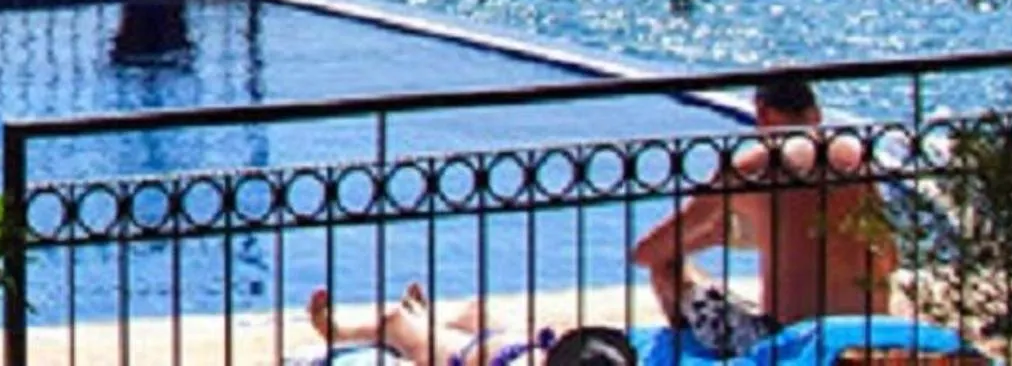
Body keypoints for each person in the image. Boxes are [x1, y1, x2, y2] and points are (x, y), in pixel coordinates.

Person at [631, 76, 897, 360]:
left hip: (792, 343)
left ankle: (699, 358)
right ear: (816, 113)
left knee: (668, 268)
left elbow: (647, 253)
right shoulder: (857, 158)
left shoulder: (755, 167)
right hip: (868, 335)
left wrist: (714, 237)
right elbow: (891, 258)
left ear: (763, 113)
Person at [306, 284, 635, 366]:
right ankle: (423, 316)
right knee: (477, 311)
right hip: (510, 343)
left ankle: (336, 331)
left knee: (397, 323)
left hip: (465, 355)